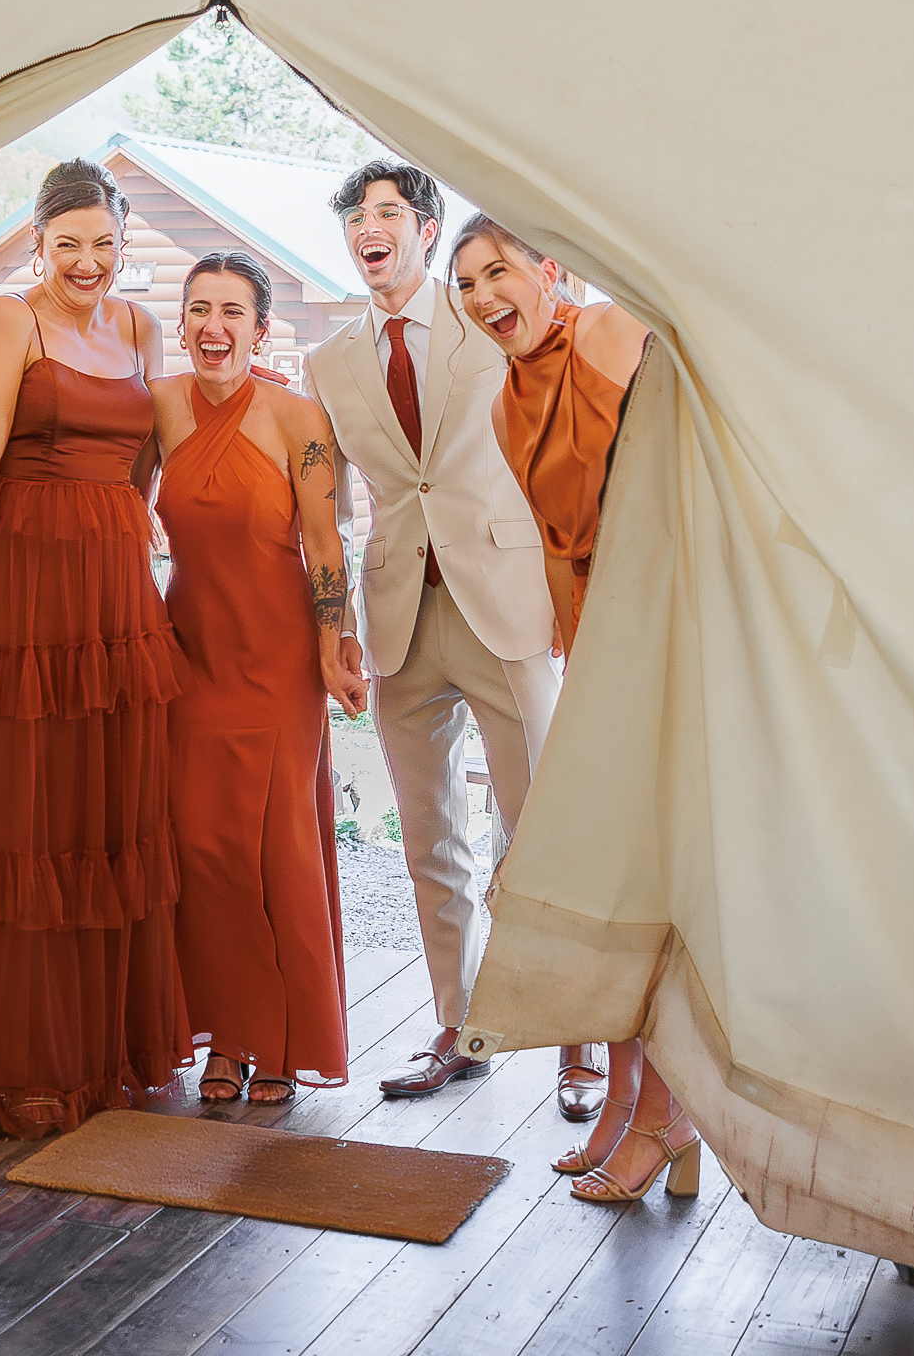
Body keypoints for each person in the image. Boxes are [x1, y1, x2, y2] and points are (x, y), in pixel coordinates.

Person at [0, 158, 189, 1139]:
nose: (90, 262)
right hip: (25, 594)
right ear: (38, 244)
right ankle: (21, 1060)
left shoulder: (142, 330)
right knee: (24, 819)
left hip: (112, 602)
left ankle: (97, 1052)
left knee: (103, 815)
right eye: (69, 244)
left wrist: (138, 521)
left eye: (105, 244)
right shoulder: (5, 322)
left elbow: (148, 458)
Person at [300, 161, 575, 1110]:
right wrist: (332, 626)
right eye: (354, 218)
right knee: (430, 840)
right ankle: (459, 1028)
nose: (368, 230)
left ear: (425, 228)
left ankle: (577, 1037)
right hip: (397, 618)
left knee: (541, 829)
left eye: (387, 214)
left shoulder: (486, 318)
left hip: (506, 599)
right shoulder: (329, 362)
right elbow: (327, 509)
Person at [453, 214, 697, 1202]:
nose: (480, 295)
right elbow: (560, 548)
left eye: (495, 270)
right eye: (464, 283)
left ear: (550, 269)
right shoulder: (508, 404)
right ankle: (629, 1098)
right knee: (616, 882)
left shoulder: (609, 331)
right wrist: (588, 676)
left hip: (674, 616)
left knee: (671, 885)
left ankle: (668, 1113)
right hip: (607, 639)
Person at [150, 252, 368, 1105]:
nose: (213, 326)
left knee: (274, 847)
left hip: (279, 658)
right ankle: (225, 1035)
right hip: (190, 650)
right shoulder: (160, 406)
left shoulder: (299, 420)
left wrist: (332, 647)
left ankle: (275, 1038)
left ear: (261, 328)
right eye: (199, 309)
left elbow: (325, 546)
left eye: (232, 311)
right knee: (201, 845)